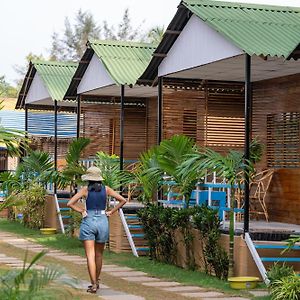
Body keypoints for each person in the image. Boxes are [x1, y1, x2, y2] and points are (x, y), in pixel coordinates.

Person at [67, 166, 127, 293]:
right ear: (99, 179)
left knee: (90, 255)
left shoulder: (85, 190)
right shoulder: (107, 189)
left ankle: (93, 284)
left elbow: (70, 203)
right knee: (99, 255)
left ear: (88, 179)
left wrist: (81, 210)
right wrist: (111, 211)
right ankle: (97, 281)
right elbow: (123, 200)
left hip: (89, 220)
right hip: (102, 221)